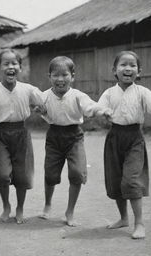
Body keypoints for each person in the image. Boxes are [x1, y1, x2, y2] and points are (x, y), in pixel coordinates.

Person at [38, 56, 111, 226]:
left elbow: (90, 106)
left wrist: (102, 111)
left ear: (73, 76)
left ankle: (69, 212)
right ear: (49, 77)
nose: (60, 79)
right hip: (54, 136)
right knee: (50, 174)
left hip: (74, 137)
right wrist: (36, 108)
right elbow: (33, 105)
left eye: (65, 75)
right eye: (55, 75)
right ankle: (47, 204)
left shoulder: (78, 96)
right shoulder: (44, 96)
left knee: (77, 173)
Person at [98, 50, 151, 239]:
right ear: (114, 70)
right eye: (123, 65)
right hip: (114, 138)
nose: (128, 68)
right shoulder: (109, 92)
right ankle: (123, 218)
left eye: (132, 65)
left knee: (131, 180)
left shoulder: (142, 92)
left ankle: (139, 223)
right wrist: (103, 112)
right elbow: (99, 107)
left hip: (134, 138)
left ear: (139, 71)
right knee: (116, 180)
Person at [0, 49, 44, 224]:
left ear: (20, 68)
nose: (11, 67)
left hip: (21, 133)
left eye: (14, 63)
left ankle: (20, 208)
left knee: (22, 175)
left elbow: (45, 101)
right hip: (0, 134)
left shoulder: (28, 89)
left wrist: (42, 108)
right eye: (6, 64)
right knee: (2, 174)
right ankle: (6, 206)